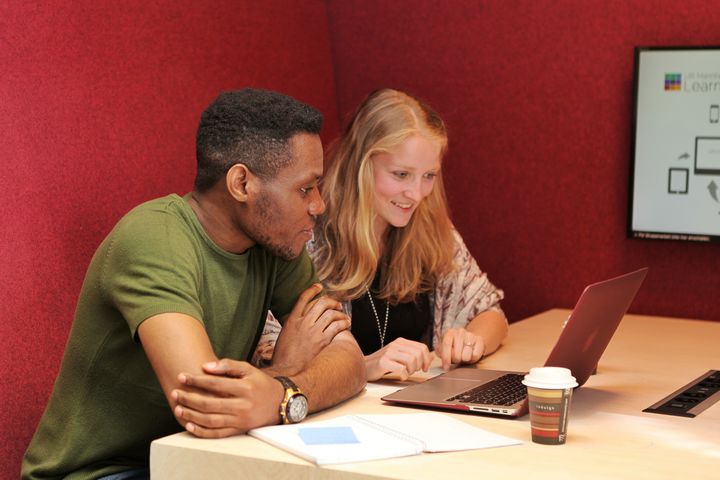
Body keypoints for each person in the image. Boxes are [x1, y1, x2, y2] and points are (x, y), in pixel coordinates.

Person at [22, 88, 366, 480]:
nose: (318, 205)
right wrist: (288, 370)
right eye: (305, 188)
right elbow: (205, 401)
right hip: (103, 473)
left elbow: (349, 360)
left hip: (199, 460)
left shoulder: (276, 243)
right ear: (242, 184)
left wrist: (281, 391)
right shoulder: (153, 237)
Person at [255, 88, 508, 382]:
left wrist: (471, 340)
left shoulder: (431, 228)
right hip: (334, 414)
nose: (416, 194)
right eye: (401, 174)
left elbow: (490, 312)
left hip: (414, 408)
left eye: (429, 176)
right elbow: (271, 353)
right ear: (361, 165)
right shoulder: (308, 236)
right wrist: (362, 367)